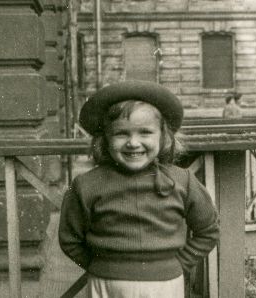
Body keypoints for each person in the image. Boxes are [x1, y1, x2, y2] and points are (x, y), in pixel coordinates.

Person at [59, 80, 219, 298]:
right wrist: (101, 266)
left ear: (163, 137)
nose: (133, 143)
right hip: (106, 285)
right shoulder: (87, 184)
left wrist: (178, 264)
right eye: (121, 134)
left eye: (145, 132)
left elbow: (208, 230)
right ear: (105, 139)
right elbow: (69, 238)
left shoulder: (182, 181)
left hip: (164, 286)